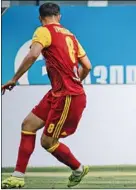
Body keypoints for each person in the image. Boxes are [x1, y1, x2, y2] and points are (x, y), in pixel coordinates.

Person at [1, 2, 92, 188]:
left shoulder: (43, 30)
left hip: (67, 95)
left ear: (40, 18)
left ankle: (78, 168)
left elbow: (33, 55)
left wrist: (14, 79)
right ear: (59, 16)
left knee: (48, 141)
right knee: (28, 124)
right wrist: (77, 81)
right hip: (59, 93)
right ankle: (18, 176)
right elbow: (88, 66)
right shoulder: (70, 35)